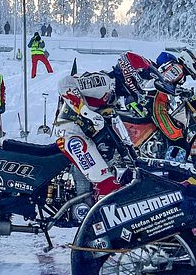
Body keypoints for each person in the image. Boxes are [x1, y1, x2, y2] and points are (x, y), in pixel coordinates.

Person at [55, 52, 173, 197]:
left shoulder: (115, 92)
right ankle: (95, 214)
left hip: (85, 133)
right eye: (143, 79)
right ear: (133, 75)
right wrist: (86, 112)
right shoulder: (104, 81)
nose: (143, 85)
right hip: (72, 132)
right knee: (106, 183)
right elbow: (65, 84)